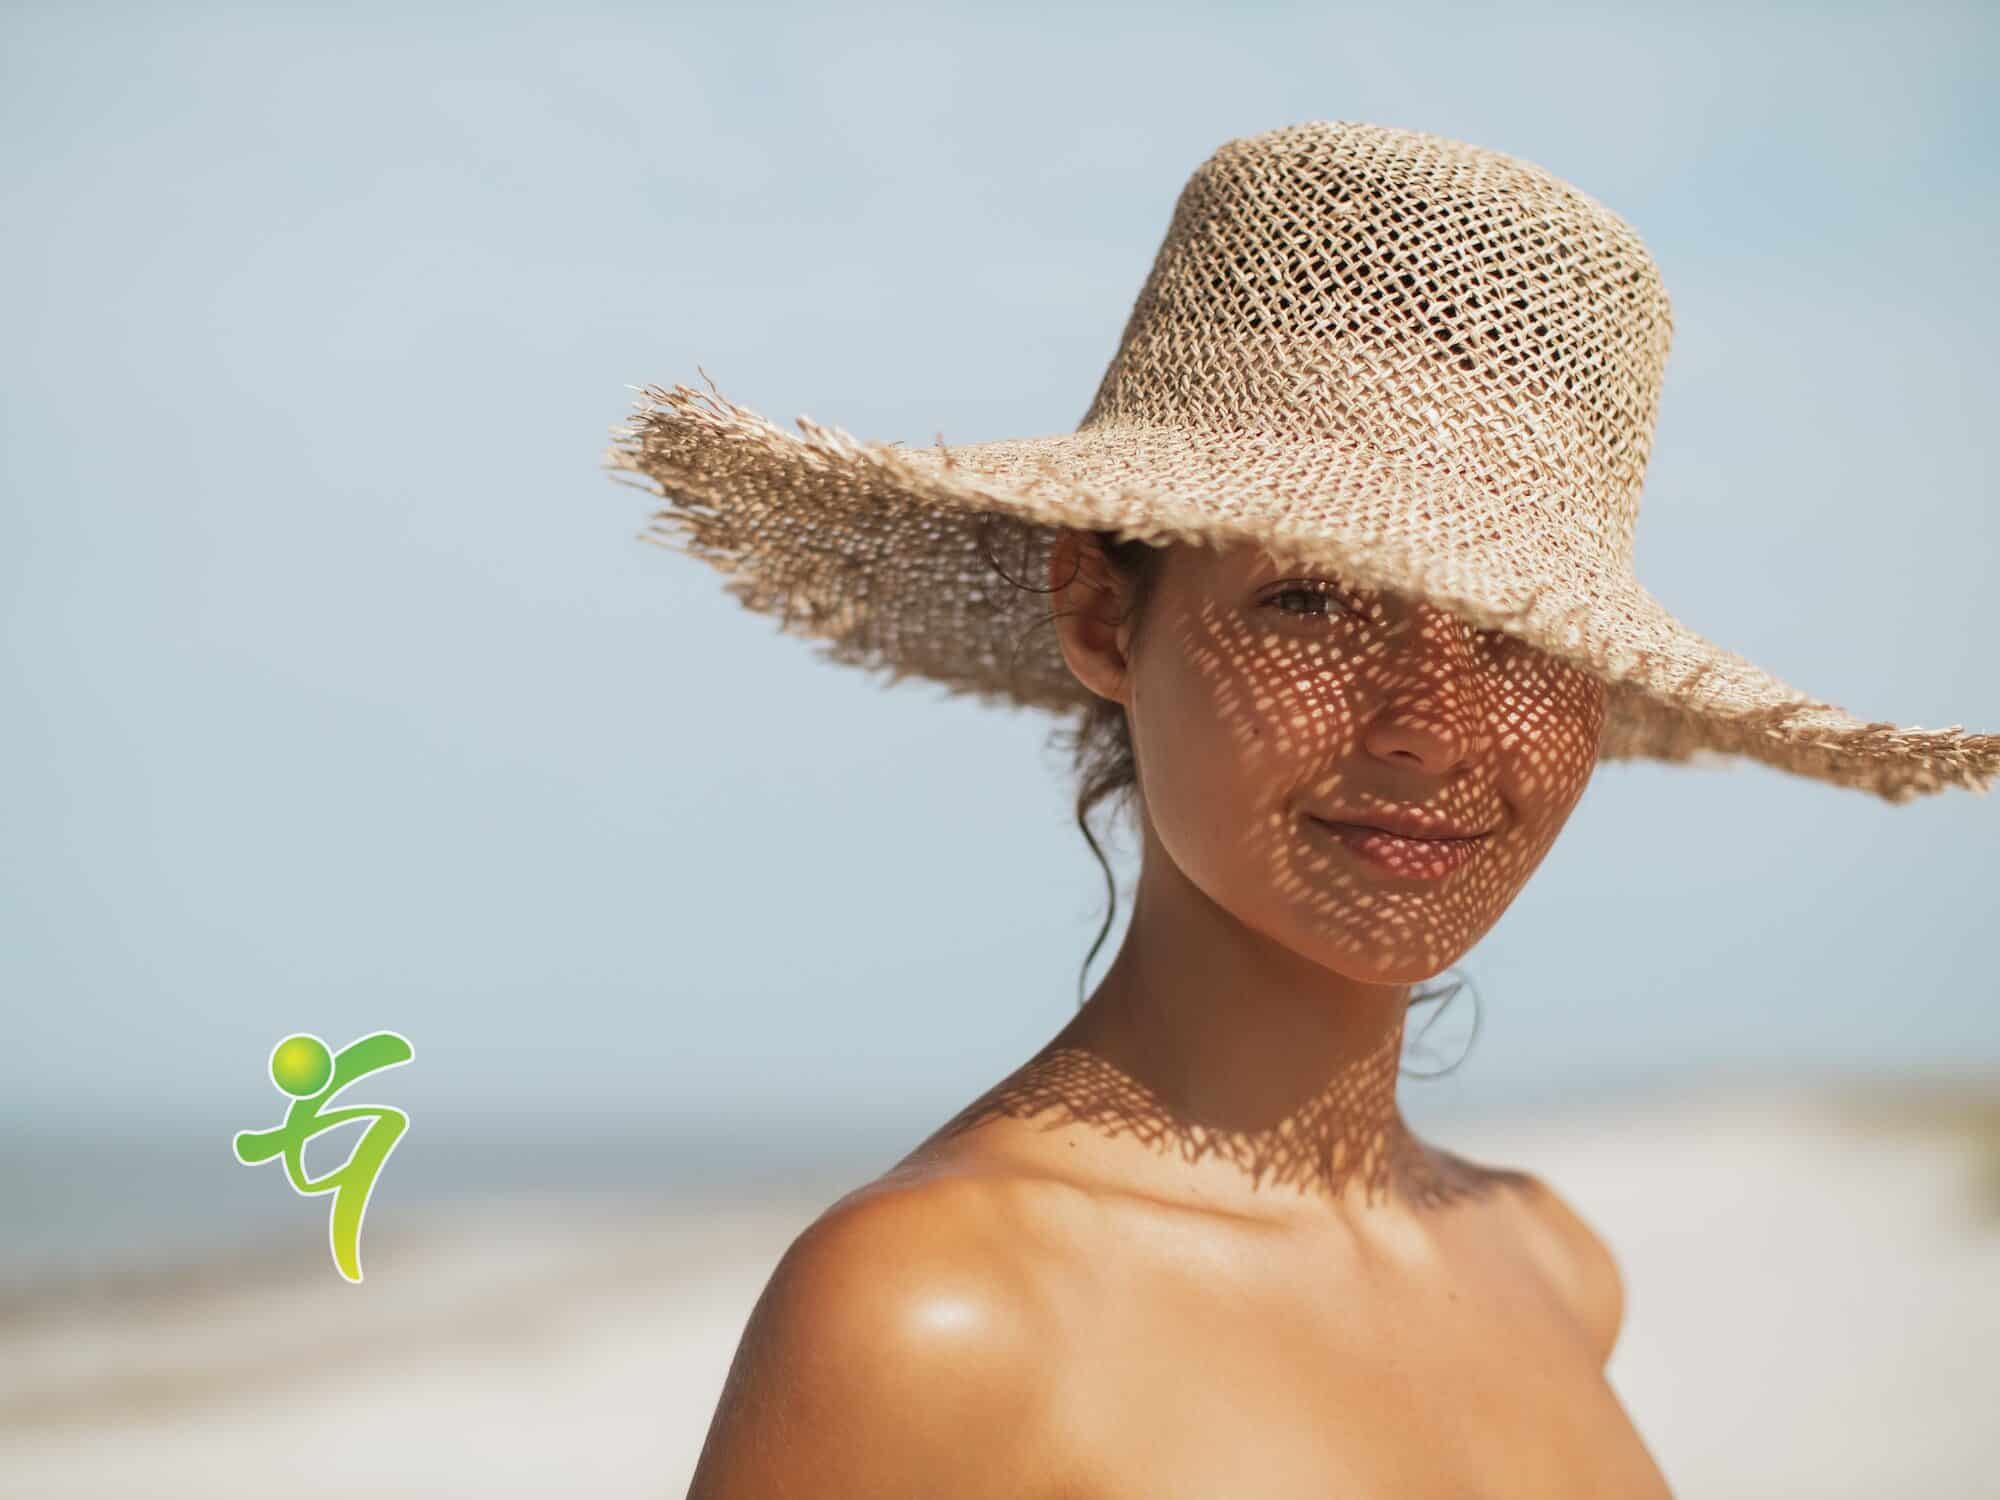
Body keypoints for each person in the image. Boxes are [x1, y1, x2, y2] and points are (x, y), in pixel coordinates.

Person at [607, 120, 1997, 1496]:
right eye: (1313, 601)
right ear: (1100, 612)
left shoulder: (1552, 1264)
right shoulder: (938, 1315)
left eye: (1520, 636)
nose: (1430, 730)